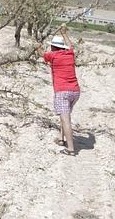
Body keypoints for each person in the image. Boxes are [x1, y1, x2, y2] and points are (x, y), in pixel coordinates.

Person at [37, 24, 80, 156]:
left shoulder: (53, 56)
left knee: (65, 118)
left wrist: (37, 45)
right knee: (65, 115)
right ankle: (62, 139)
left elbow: (41, 53)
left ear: (53, 47)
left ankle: (71, 149)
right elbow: (70, 45)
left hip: (62, 91)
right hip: (75, 91)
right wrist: (64, 33)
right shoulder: (69, 54)